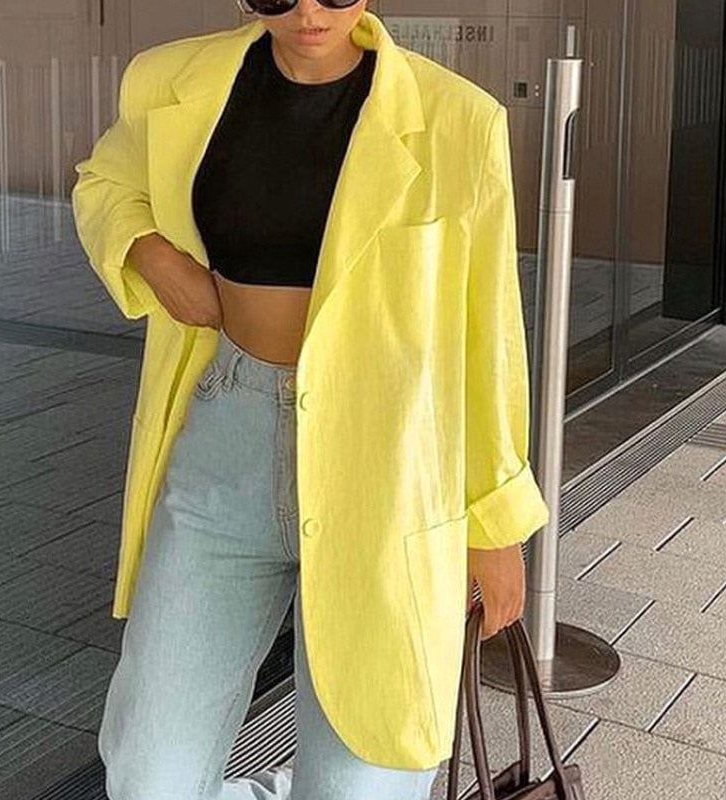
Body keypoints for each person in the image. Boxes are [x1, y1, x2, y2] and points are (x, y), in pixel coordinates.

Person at [71, 1, 550, 798]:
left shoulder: (457, 119)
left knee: (361, 778)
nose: (308, 12)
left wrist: (496, 526)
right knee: (149, 772)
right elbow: (105, 181)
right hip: (226, 441)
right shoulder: (172, 82)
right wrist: (149, 253)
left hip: (387, 466)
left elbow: (488, 332)